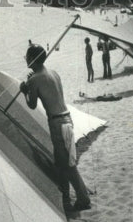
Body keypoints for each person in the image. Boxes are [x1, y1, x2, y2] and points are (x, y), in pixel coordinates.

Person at [20, 44, 91, 211]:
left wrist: (25, 90)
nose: (26, 60)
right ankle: (65, 195)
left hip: (57, 123)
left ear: (33, 59)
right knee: (61, 161)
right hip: (67, 119)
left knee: (67, 164)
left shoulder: (34, 79)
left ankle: (83, 198)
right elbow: (49, 88)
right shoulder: (53, 73)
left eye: (27, 57)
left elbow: (31, 104)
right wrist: (32, 81)